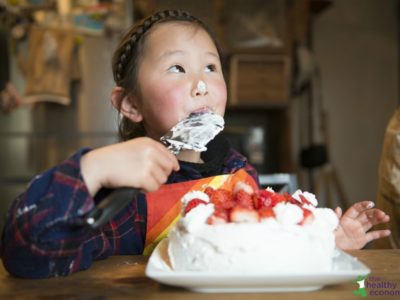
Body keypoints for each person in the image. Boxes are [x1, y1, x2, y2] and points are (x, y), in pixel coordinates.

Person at [1, 10, 390, 278]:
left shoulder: (239, 172)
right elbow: (29, 254)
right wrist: (92, 170)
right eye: (177, 68)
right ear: (131, 104)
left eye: (210, 67)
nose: (201, 83)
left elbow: (260, 250)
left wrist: (325, 241)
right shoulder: (123, 192)